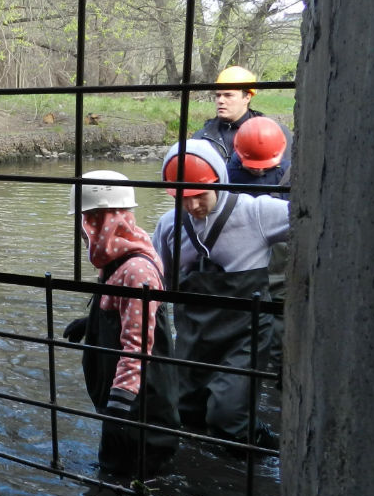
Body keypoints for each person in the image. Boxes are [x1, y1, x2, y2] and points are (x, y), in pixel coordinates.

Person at [152, 141, 290, 445]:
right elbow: (157, 280)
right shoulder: (169, 226)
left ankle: (260, 454)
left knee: (228, 419)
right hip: (195, 339)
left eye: (199, 195)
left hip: (245, 337)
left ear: (218, 180)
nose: (192, 206)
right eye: (182, 198)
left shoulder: (257, 213)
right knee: (187, 418)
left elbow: (309, 218)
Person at [65, 171, 181, 477]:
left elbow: (137, 344)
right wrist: (90, 323)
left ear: (98, 220)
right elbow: (127, 314)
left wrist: (119, 405)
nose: (80, 231)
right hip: (124, 403)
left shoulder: (136, 270)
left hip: (139, 408)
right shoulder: (116, 261)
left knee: (135, 479)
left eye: (84, 221)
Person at [231, 115, 290, 374]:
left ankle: (273, 370)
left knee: (278, 317)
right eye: (252, 165)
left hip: (276, 263)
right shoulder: (226, 175)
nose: (258, 170)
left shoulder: (289, 174)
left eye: (264, 166)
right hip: (239, 259)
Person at [196, 65, 292, 175]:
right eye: (218, 95)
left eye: (228, 95)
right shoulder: (201, 138)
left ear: (247, 97)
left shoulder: (275, 135)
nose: (220, 100)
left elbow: (286, 178)